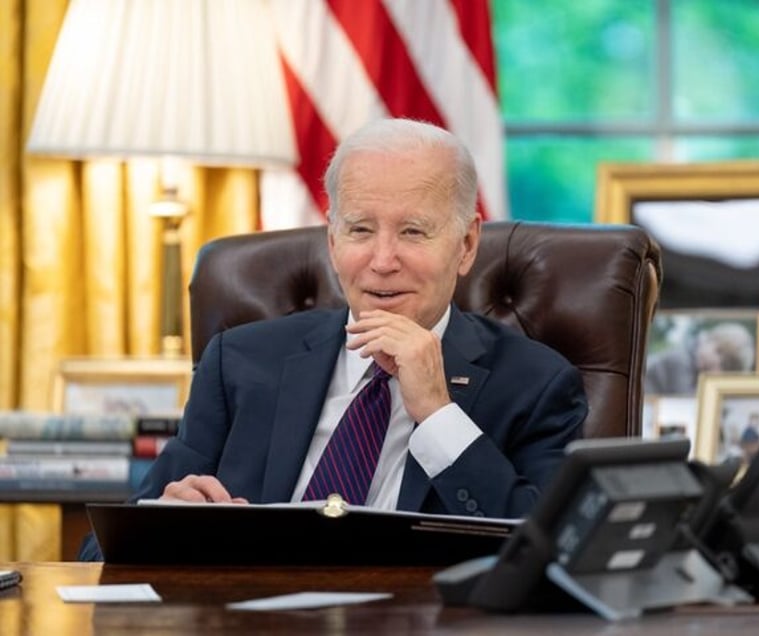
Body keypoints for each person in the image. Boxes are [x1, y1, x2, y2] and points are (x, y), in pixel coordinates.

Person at [78, 118, 587, 560]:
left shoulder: (536, 384)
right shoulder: (240, 362)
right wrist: (162, 527)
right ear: (332, 239)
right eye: (361, 230)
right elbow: (101, 549)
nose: (383, 260)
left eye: (413, 232)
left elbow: (551, 555)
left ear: (467, 245)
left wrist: (437, 414)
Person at [644, 321, 756, 395]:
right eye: (718, 351)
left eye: (724, 365)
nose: (715, 361)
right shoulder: (679, 360)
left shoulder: (696, 370)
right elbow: (687, 405)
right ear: (709, 338)